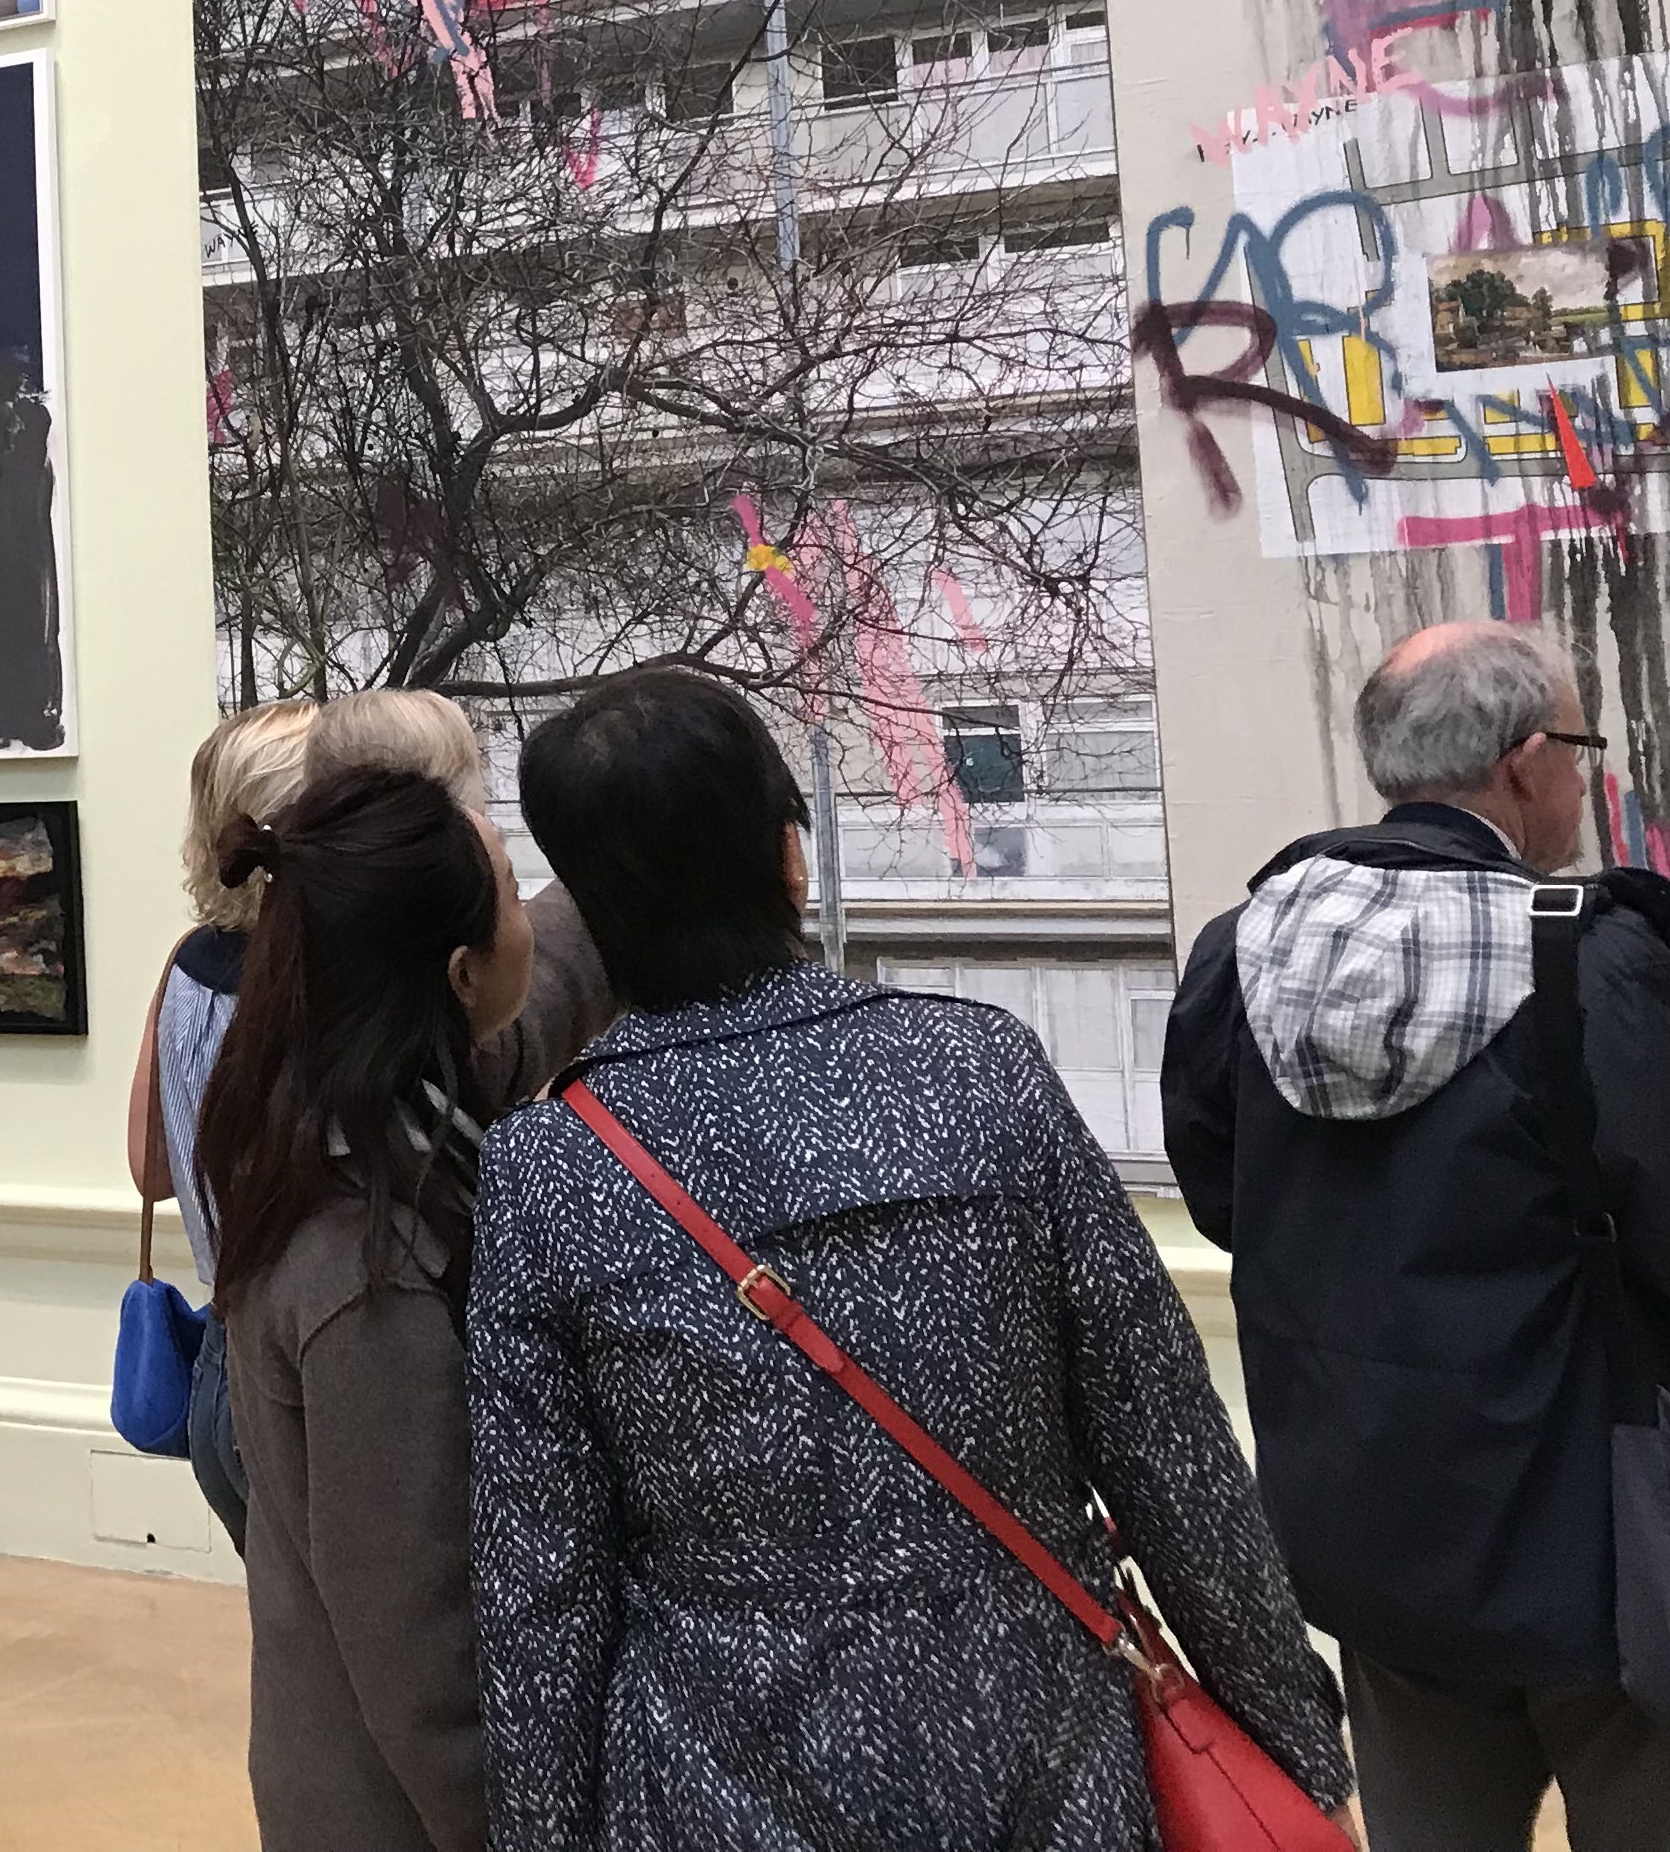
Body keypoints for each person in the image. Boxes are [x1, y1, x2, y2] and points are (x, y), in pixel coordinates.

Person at [470, 666, 1351, 1846]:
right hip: (1040, 1741)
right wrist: (1295, 1748)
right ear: (791, 855)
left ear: (585, 905)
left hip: (712, 1770)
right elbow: (1165, 1444)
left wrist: (542, 1829)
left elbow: (541, 1576)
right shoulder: (983, 1072)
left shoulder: (547, 1166)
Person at [1164, 619, 1670, 1852]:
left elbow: (1229, 1203)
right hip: (1606, 1553)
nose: (1586, 781)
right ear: (1522, 761)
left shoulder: (1243, 951)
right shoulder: (1588, 958)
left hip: (1373, 1547)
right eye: (1582, 750)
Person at [196, 687, 613, 1852]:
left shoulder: (356, 1101)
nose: (528, 910)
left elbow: (546, 992)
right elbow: (420, 1649)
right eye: (511, 890)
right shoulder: (364, 1276)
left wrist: (637, 840)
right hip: (397, 1813)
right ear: (461, 972)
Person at [121, 699, 312, 1549]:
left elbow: (152, 1171)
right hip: (296, 1384)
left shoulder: (186, 963)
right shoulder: (321, 984)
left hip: (218, 1373)